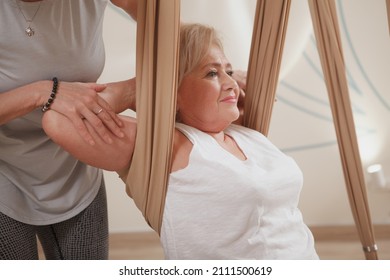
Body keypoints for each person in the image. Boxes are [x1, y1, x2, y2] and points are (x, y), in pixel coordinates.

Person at [42, 23, 319, 260]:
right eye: (212, 73)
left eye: (230, 72)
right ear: (174, 91)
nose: (230, 82)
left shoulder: (248, 136)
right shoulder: (171, 145)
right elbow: (58, 121)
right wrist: (142, 88)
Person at [0, 0, 138, 260]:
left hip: (76, 165)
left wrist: (130, 90)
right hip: (4, 168)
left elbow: (165, 25)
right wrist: (43, 92)